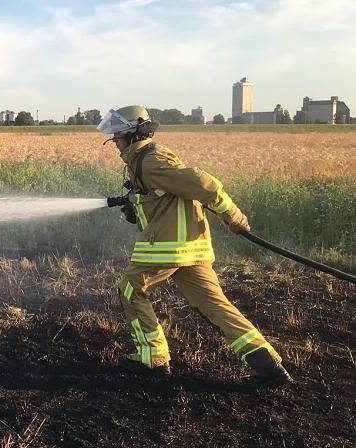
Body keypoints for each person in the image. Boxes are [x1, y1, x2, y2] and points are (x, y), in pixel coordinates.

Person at [97, 106, 291, 389]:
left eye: (117, 136)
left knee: (130, 288)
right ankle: (267, 365)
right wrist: (137, 206)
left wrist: (233, 216)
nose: (114, 142)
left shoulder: (150, 162)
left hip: (169, 248)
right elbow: (167, 198)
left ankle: (153, 358)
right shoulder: (144, 161)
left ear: (132, 134)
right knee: (215, 305)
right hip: (192, 248)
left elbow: (204, 185)